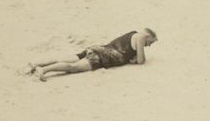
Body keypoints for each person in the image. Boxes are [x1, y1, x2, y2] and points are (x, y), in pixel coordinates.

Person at [27, 29, 157, 82]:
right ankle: (43, 70)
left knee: (66, 59)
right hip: (102, 57)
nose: (149, 45)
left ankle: (35, 64)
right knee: (73, 67)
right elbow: (141, 61)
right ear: (148, 36)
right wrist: (135, 59)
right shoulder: (140, 37)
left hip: (98, 49)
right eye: (150, 42)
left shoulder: (132, 34)